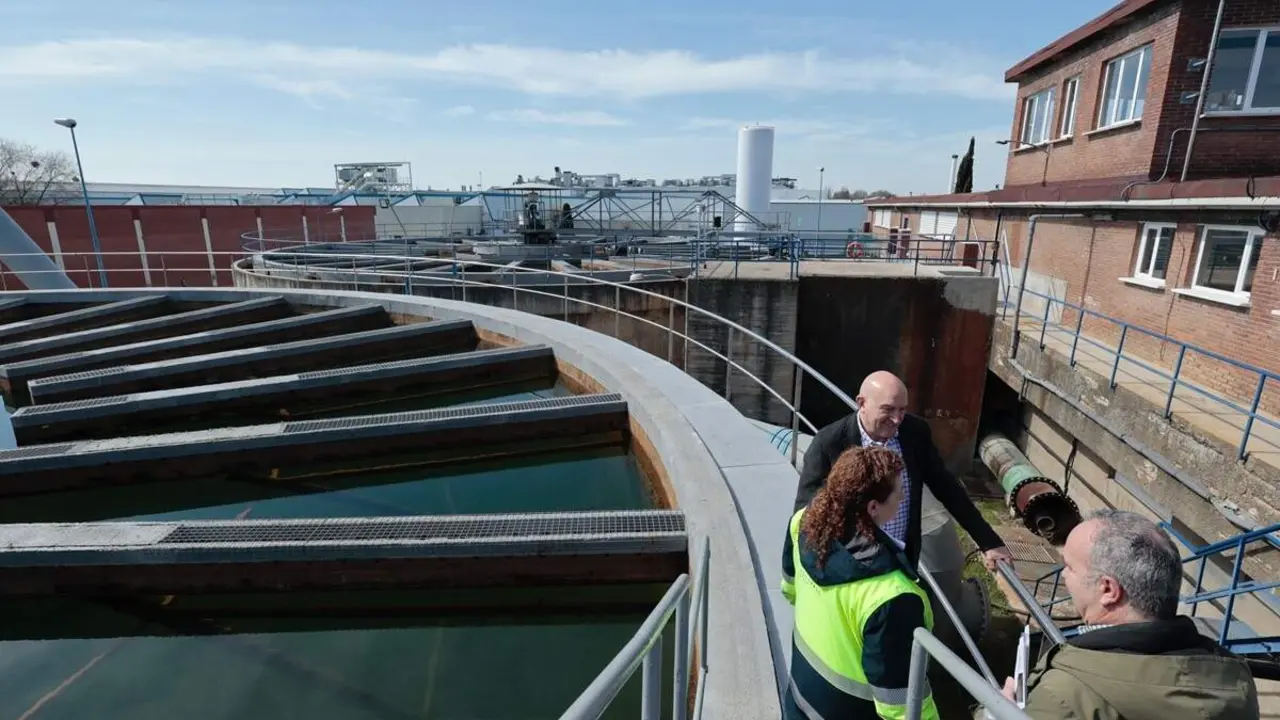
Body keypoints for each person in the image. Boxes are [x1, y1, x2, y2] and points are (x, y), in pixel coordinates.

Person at [1001, 509, 1260, 719]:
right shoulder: (1237, 680)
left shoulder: (1066, 694)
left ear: (1108, 589)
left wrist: (994, 712)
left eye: (1069, 566)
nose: (1065, 575)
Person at [793, 370, 1012, 572]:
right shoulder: (829, 442)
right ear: (862, 403)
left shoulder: (914, 433)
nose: (897, 419)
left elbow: (946, 487)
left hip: (902, 558)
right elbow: (806, 509)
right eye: (888, 409)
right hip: (853, 563)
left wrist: (989, 541)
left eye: (902, 410)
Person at [781, 446, 940, 720]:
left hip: (799, 699)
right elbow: (901, 707)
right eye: (898, 492)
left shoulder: (802, 525)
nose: (903, 496)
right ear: (873, 507)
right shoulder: (892, 598)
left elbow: (789, 588)